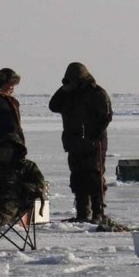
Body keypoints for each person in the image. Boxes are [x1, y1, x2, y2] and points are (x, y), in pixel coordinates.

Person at [49, 62, 113, 223]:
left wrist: (94, 136)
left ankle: (98, 212)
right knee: (78, 176)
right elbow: (53, 106)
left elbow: (106, 116)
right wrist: (64, 88)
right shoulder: (68, 94)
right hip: (73, 141)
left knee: (95, 176)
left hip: (93, 143)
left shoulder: (96, 93)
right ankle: (83, 212)